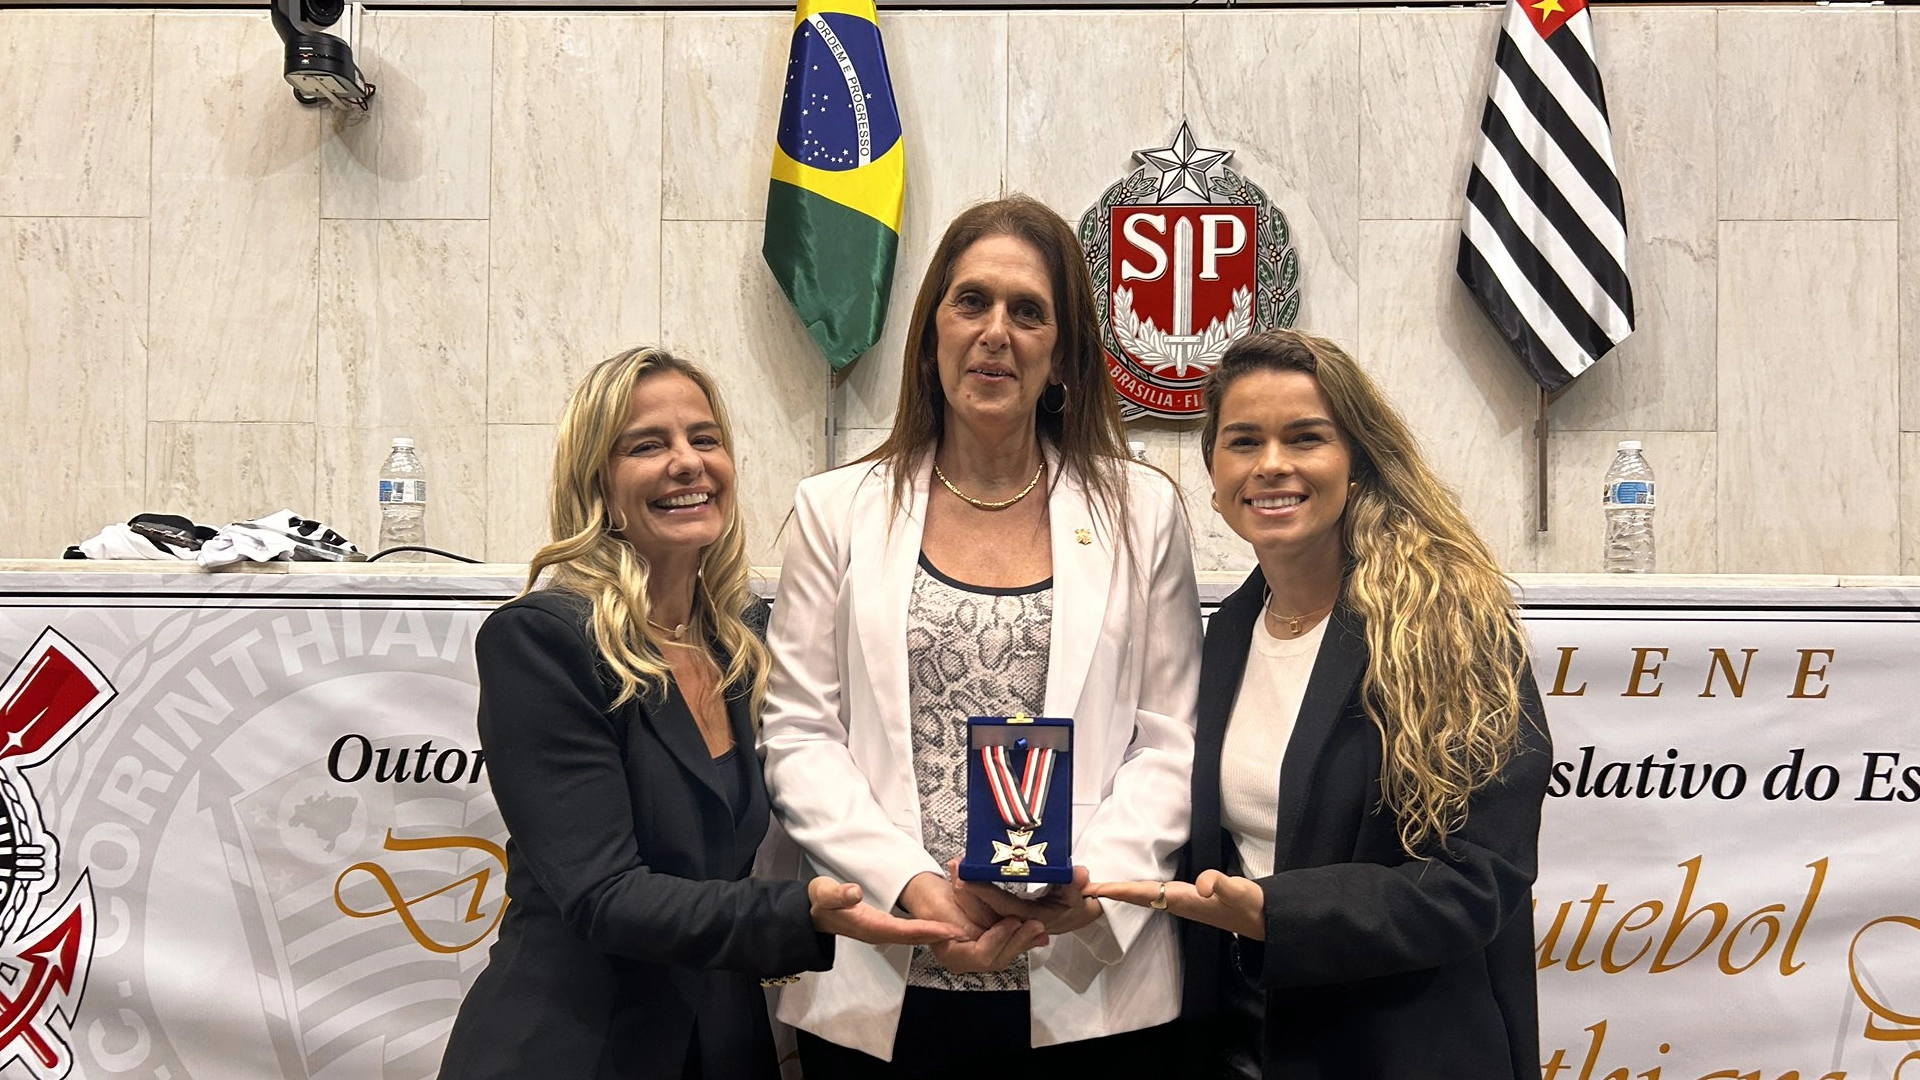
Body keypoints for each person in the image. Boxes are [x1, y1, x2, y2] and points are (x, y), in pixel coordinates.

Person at [759, 196, 1203, 1076]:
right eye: (971, 303)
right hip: (884, 971)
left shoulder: (1143, 510)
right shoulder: (834, 510)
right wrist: (913, 887)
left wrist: (1091, 888)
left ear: (1065, 352)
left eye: (1028, 311)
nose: (995, 332)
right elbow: (800, 734)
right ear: (931, 334)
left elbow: (1171, 740)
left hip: (1084, 983)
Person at [439, 347, 958, 1080]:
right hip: (578, 1048)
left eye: (704, 439)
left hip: (723, 1045)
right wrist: (800, 914)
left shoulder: (742, 642)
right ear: (599, 483)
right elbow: (604, 896)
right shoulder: (542, 641)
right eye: (647, 445)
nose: (687, 463)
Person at [1087, 329, 1552, 1079]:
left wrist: (1278, 913)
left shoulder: (1454, 626)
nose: (1272, 464)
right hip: (1242, 1048)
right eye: (1244, 441)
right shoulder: (1226, 634)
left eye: (1305, 438)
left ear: (1356, 464)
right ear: (1214, 475)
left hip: (1399, 1051)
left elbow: (1478, 877)